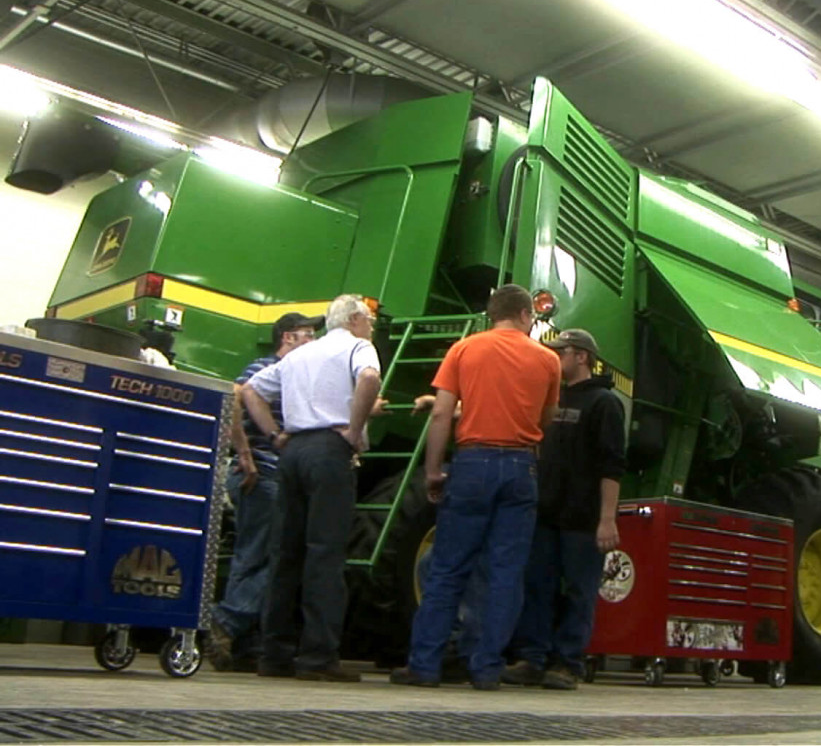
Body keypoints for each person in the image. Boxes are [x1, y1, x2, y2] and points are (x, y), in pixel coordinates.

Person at [391, 284, 560, 690]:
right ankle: (485, 669)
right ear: (524, 315)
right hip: (521, 467)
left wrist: (433, 470)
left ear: (491, 314)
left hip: (471, 464)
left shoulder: (464, 350)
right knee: (505, 573)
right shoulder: (549, 360)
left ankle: (425, 666)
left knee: (447, 567)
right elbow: (546, 419)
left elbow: (442, 414)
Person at [243, 294, 381, 682]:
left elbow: (251, 391)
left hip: (293, 452)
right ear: (354, 319)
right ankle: (318, 657)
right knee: (324, 552)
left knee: (285, 553)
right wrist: (354, 430)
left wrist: (274, 434)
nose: (371, 325)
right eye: (369, 318)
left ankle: (274, 654)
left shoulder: (300, 354)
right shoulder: (358, 346)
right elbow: (370, 378)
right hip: (328, 453)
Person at [503, 328, 625, 691]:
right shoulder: (551, 398)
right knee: (536, 585)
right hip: (545, 511)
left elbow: (612, 466)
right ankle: (532, 658)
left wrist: (606, 520)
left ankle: (568, 663)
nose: (554, 357)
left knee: (578, 590)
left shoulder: (604, 403)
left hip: (582, 518)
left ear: (581, 357)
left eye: (562, 352)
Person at [206, 312, 322, 672]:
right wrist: (244, 453)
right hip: (263, 474)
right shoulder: (268, 368)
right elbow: (235, 396)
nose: (313, 342)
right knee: (276, 556)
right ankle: (225, 621)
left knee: (250, 557)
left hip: (258, 475)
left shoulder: (290, 373)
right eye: (307, 335)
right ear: (288, 337)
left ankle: (237, 647)